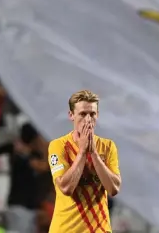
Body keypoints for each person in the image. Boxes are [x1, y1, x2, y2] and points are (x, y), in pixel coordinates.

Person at [48, 90, 121, 233]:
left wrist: (93, 153)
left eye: (92, 114)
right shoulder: (58, 146)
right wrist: (82, 152)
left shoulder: (108, 147)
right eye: (82, 114)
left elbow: (113, 189)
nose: (88, 120)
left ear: (97, 115)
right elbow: (66, 188)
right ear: (71, 115)